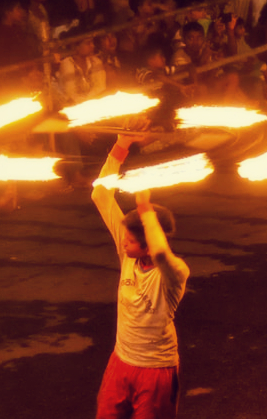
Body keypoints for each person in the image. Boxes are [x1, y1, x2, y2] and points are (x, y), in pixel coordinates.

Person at [91, 136, 189, 419]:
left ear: (146, 242)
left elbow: (160, 252)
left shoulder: (174, 272)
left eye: (131, 241)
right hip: (121, 363)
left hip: (156, 371)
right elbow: (100, 195)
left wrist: (146, 210)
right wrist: (121, 146)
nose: (123, 243)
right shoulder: (129, 257)